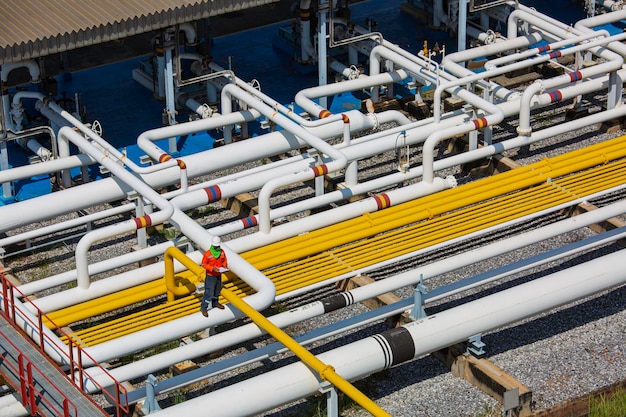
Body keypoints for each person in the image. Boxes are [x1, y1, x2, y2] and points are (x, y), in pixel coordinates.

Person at [200, 236, 228, 317]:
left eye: (218, 246)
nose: (217, 247)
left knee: (217, 290)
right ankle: (204, 308)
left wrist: (225, 266)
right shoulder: (208, 254)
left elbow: (224, 260)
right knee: (209, 292)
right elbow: (204, 264)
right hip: (210, 276)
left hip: (218, 274)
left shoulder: (222, 252)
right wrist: (212, 269)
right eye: (215, 246)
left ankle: (215, 303)